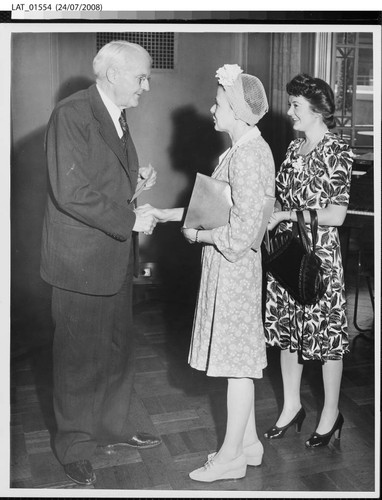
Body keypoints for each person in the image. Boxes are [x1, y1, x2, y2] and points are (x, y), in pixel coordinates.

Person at [137, 64, 275, 482]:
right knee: (237, 362)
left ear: (236, 109)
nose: (212, 111)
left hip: (235, 268)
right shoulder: (238, 150)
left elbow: (243, 230)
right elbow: (214, 209)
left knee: (238, 367)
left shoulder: (250, 156)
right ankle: (249, 443)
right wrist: (166, 214)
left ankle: (231, 456)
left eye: (218, 104)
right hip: (228, 269)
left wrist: (199, 239)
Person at [40, 40, 162, 486]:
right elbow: (70, 192)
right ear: (113, 75)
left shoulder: (115, 112)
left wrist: (136, 180)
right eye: (141, 77)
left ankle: (112, 427)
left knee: (115, 348)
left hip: (110, 256)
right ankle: (73, 445)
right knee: (77, 357)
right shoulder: (72, 113)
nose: (146, 86)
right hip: (79, 261)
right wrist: (132, 218)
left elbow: (98, 177)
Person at [263, 73, 354, 448]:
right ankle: (291, 407)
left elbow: (337, 215)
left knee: (326, 338)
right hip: (288, 255)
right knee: (288, 335)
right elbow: (281, 199)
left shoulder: (338, 150)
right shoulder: (292, 149)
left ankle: (330, 413)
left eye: (296, 105)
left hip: (319, 257)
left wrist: (287, 215)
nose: (290, 111)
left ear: (318, 111)